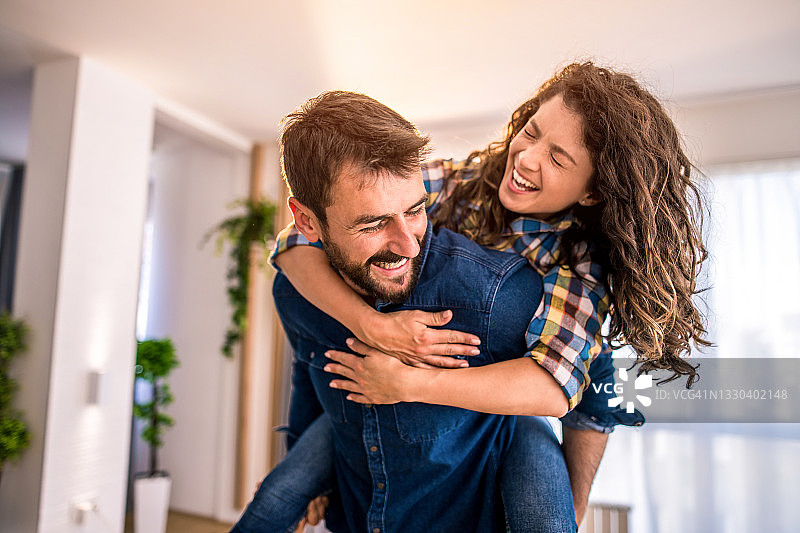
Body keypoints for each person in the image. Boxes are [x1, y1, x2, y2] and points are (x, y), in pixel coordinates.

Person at [234, 89, 601, 533]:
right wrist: (372, 325)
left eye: (559, 159)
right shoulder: (460, 178)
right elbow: (295, 243)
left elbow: (561, 390)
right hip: (381, 393)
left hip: (512, 401)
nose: (526, 158)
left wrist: (409, 382)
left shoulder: (583, 263)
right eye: (530, 132)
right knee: (276, 497)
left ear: (593, 191)